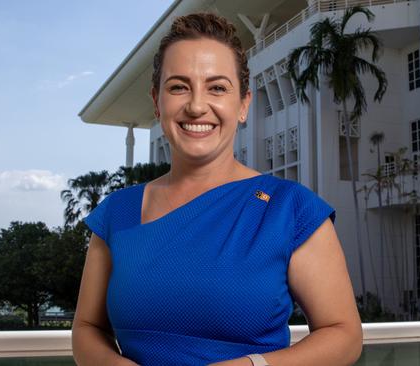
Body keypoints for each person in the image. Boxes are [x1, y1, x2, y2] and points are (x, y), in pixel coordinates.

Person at [72, 12, 362, 366]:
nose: (196, 106)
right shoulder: (116, 214)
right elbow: (87, 328)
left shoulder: (290, 209)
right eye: (178, 86)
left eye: (217, 88)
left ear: (243, 105)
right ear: (156, 101)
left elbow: (344, 334)